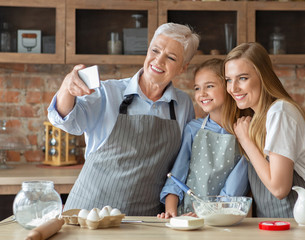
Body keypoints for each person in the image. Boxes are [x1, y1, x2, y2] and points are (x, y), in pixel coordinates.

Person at [47, 23, 200, 216]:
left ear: (182, 67)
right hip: (87, 216)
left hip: (144, 221)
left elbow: (181, 164)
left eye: (171, 57)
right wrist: (67, 87)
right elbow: (64, 120)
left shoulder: (183, 104)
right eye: (155, 50)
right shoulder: (108, 92)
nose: (158, 61)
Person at [222, 42, 305, 218]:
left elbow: (279, 188)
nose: (233, 88)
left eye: (243, 78)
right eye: (228, 80)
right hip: (281, 224)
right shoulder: (256, 120)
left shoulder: (280, 113)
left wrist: (246, 141)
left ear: (263, 77)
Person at [158, 58, 249, 219]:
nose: (202, 94)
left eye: (209, 86)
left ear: (228, 86)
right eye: (197, 88)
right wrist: (171, 212)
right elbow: (176, 177)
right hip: (187, 216)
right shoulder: (193, 129)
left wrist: (208, 213)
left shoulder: (245, 132)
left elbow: (234, 189)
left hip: (223, 218)